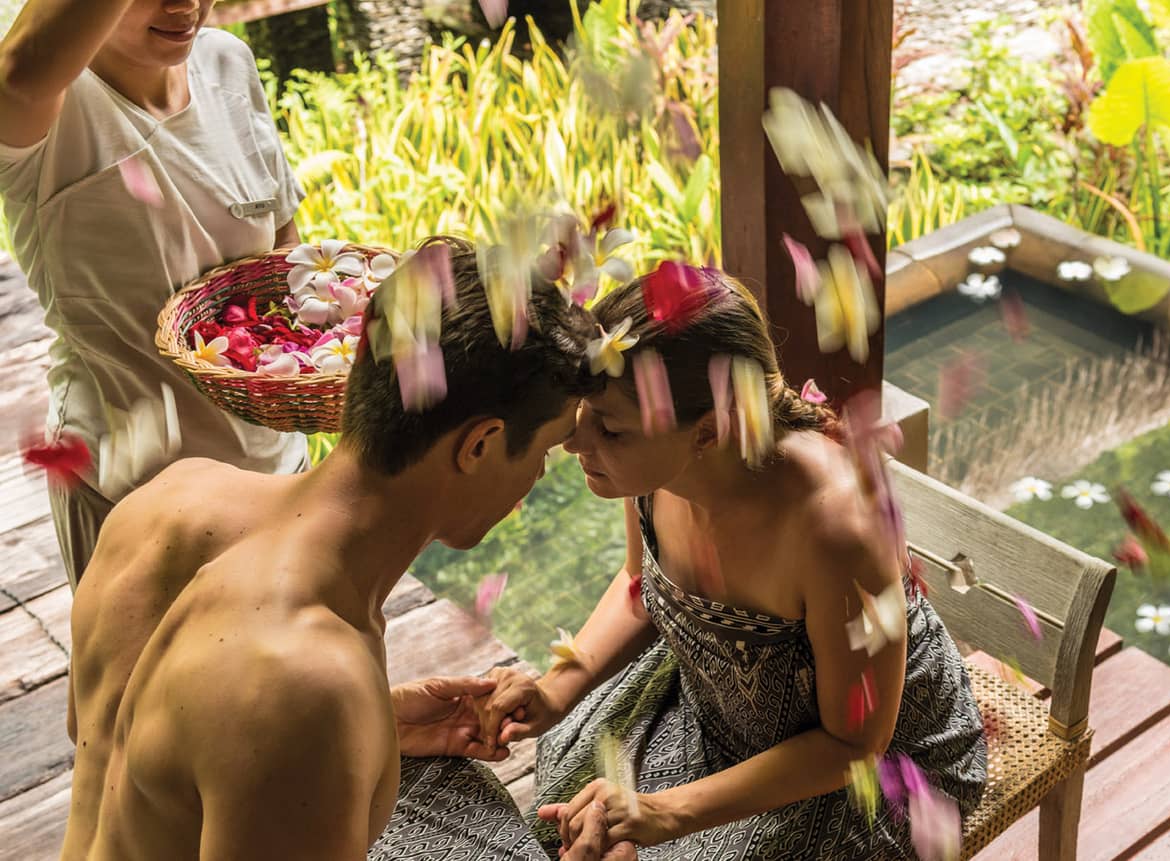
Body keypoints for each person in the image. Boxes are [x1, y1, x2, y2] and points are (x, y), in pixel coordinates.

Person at [63, 238, 631, 860]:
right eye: (546, 451)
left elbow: (156, 754)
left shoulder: (166, 504)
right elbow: (264, 708)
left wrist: (373, 729)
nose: (540, 477)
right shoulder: (308, 688)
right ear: (480, 445)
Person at [481, 268, 988, 858]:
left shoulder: (838, 529)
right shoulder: (655, 472)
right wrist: (554, 692)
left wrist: (665, 813)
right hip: (717, 708)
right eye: (584, 415)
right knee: (571, 789)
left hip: (862, 766)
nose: (574, 443)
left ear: (709, 431)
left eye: (611, 430)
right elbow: (642, 587)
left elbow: (853, 744)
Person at [0, 0, 310, 589]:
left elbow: (284, 263)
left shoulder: (227, 63)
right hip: (136, 507)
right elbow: (18, 74)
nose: (185, 4)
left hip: (279, 480)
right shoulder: (51, 105)